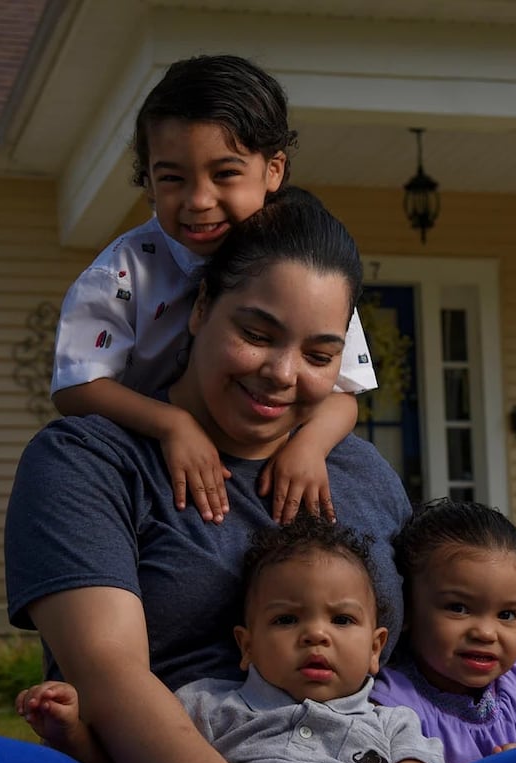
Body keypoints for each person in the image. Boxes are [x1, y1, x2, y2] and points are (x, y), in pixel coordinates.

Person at [0, 188, 516, 763]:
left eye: (317, 353)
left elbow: (406, 655)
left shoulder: (363, 474)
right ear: (202, 308)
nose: (283, 374)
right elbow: (111, 678)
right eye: (258, 333)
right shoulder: (89, 460)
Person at [50, 54, 377, 527]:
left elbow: (344, 391)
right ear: (148, 183)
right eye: (172, 179)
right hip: (150, 472)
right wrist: (170, 424)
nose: (199, 201)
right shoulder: (124, 272)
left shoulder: (306, 268)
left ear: (273, 170)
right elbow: (77, 385)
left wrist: (309, 447)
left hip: (251, 472)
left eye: (224, 174)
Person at [17, 514, 444, 763]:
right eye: (286, 618)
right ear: (247, 646)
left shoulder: (392, 722)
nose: (316, 634)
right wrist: (70, 733)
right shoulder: (208, 704)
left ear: (376, 647)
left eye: (343, 619)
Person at [372, 499, 516, 763]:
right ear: (407, 609)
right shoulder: (392, 703)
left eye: (507, 614)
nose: (486, 633)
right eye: (458, 608)